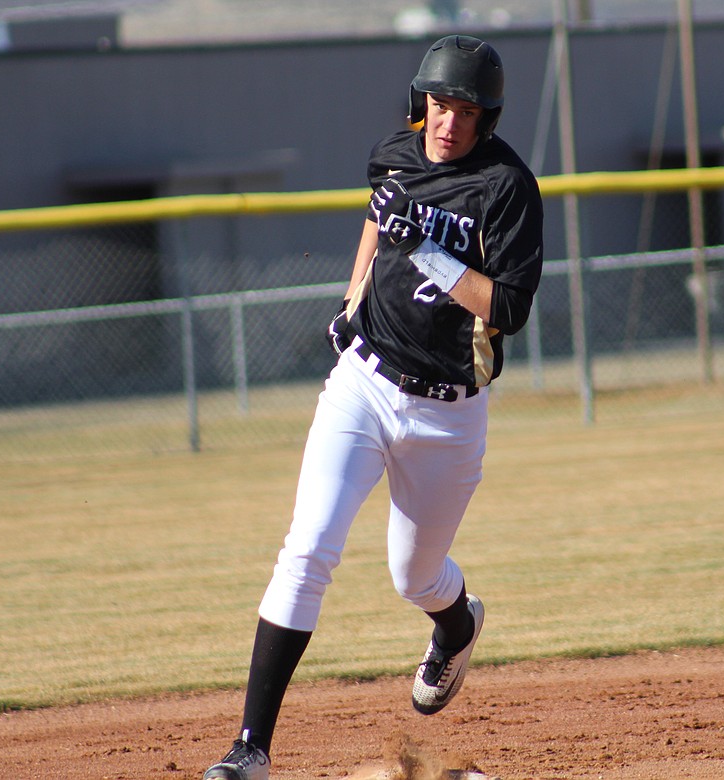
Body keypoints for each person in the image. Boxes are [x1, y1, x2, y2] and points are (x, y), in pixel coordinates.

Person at [203, 34, 544, 780]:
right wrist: (353, 296)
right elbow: (376, 218)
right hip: (364, 384)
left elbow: (508, 308)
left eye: (463, 109)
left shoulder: (506, 188)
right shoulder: (398, 149)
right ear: (419, 102)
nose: (446, 121)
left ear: (487, 117)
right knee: (307, 549)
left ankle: (455, 625)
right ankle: (250, 749)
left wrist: (425, 248)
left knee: (414, 575)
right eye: (437, 103)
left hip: (449, 414)